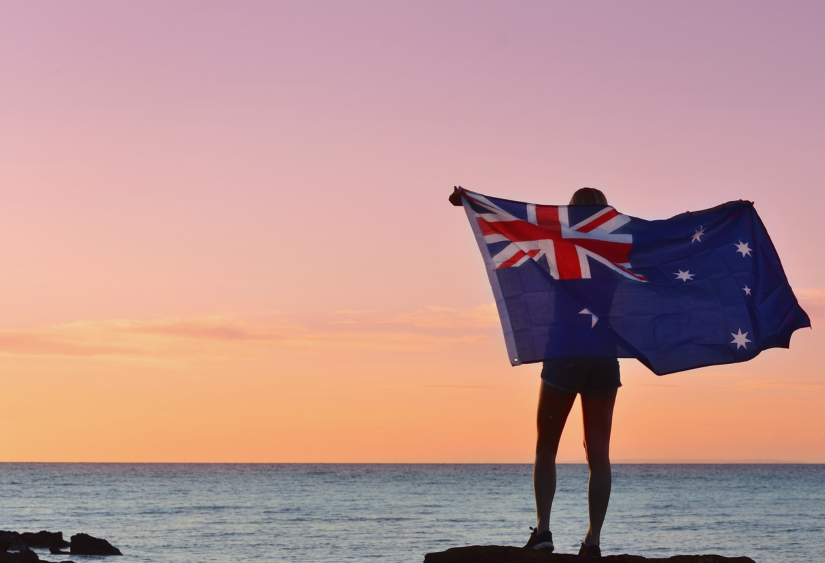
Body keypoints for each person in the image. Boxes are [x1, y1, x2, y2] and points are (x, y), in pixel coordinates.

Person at [450, 186, 617, 558]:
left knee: (546, 446)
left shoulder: (558, 244)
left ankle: (543, 531)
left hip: (564, 353)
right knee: (600, 455)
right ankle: (593, 542)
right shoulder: (619, 253)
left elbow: (513, 227)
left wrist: (473, 203)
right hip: (604, 355)